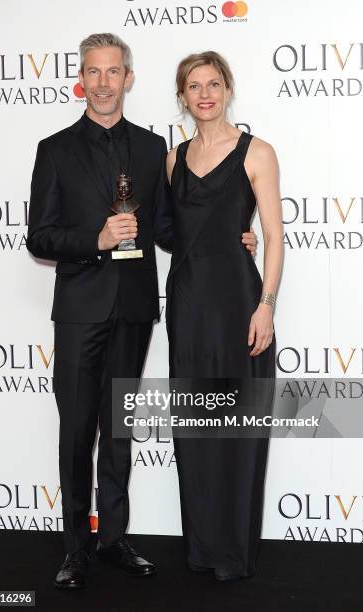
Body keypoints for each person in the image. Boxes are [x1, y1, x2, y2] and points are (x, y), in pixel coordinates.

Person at [27, 33, 258, 589]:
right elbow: (39, 236)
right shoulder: (54, 149)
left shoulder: (157, 150)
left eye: (114, 72)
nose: (104, 82)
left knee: (120, 434)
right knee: (77, 432)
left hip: (133, 310)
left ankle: (114, 540)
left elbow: (169, 228)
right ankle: (76, 548)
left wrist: (232, 238)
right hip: (80, 310)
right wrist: (96, 238)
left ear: (128, 78)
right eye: (94, 72)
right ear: (82, 79)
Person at [166, 51, 283, 582]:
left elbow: (276, 239)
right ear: (183, 97)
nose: (205, 93)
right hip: (188, 303)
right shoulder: (172, 159)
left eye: (214, 83)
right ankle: (202, 549)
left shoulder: (258, 152)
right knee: (195, 426)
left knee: (238, 427)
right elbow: (173, 233)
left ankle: (233, 554)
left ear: (228, 89)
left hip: (240, 301)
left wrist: (267, 305)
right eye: (194, 86)